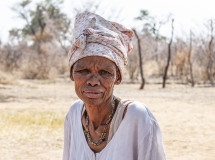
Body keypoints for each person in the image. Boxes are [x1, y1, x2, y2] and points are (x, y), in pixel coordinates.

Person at [63, 11, 166, 160]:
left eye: (105, 72)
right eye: (83, 70)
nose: (93, 81)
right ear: (71, 74)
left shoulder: (137, 116)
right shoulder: (74, 114)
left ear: (118, 78)